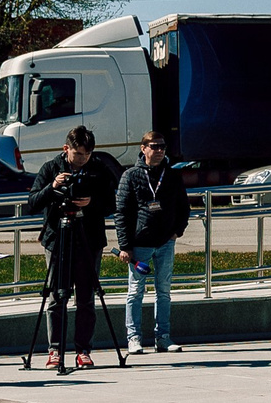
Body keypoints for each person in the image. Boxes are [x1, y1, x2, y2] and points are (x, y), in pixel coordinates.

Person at [25, 125, 119, 371]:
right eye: (78, 155)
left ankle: (83, 350)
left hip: (89, 239)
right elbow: (33, 203)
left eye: (87, 155)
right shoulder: (51, 168)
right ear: (66, 148)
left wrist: (91, 202)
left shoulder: (98, 169)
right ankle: (55, 349)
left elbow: (113, 202)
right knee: (57, 296)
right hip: (58, 239)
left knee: (86, 298)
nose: (82, 160)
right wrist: (53, 187)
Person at [112, 131, 188, 355]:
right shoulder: (131, 175)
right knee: (135, 291)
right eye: (154, 146)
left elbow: (183, 206)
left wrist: (177, 232)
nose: (159, 150)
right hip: (140, 243)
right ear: (143, 148)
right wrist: (125, 246)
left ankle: (163, 337)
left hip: (166, 242)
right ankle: (134, 337)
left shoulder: (172, 175)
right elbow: (122, 213)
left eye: (162, 146)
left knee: (163, 291)